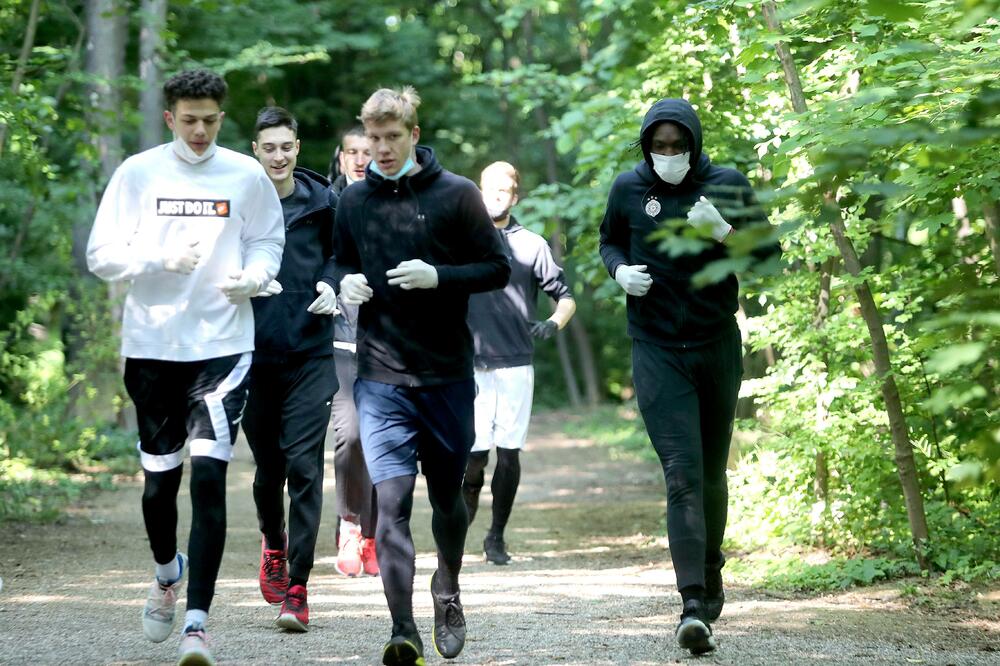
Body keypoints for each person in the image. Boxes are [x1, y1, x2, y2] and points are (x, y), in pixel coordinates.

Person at [86, 69, 284, 665]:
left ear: (223, 118)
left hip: (223, 347)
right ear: (170, 117)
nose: (200, 131)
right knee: (158, 487)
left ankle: (198, 622)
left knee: (207, 477)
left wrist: (254, 276)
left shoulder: (246, 175)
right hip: (152, 347)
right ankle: (168, 570)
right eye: (189, 119)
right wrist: (157, 257)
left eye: (211, 120)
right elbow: (101, 255)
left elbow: (267, 242)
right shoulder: (138, 173)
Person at [333, 86, 510, 665]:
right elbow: (337, 257)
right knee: (390, 505)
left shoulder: (456, 195)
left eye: (390, 138)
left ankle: (448, 589)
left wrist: (440, 276)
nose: (379, 150)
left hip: (446, 376)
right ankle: (402, 628)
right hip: (380, 377)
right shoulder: (355, 201)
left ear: (413, 134)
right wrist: (342, 282)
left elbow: (496, 266)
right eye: (372, 139)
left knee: (448, 500)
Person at [598, 98, 780, 656]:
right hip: (656, 349)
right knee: (680, 472)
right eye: (660, 146)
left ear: (695, 145)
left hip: (715, 345)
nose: (669, 155)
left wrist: (724, 231)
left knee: (709, 473)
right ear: (646, 145)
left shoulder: (726, 183)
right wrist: (618, 271)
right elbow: (608, 240)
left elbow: (769, 258)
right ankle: (692, 604)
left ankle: (711, 566)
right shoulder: (628, 189)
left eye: (679, 146)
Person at [244, 106, 340, 632]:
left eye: (286, 146)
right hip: (252, 353)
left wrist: (331, 281)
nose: (278, 156)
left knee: (304, 468)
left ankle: (298, 588)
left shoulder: (325, 200)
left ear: (297, 148)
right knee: (269, 470)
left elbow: (344, 254)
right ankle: (273, 543)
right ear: (254, 149)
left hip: (310, 352)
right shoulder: (238, 200)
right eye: (268, 147)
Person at [463, 161, 576, 565]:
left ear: (515, 196)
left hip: (514, 363)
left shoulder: (532, 244)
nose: (496, 195)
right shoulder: (461, 239)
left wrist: (552, 323)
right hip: (468, 365)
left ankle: (496, 537)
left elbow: (565, 296)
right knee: (473, 458)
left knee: (508, 454)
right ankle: (458, 532)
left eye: (504, 189)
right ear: (479, 191)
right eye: (489, 188)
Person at [329, 128, 380, 578]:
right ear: (341, 157)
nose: (361, 159)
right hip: (340, 339)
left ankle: (374, 535)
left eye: (368, 151)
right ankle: (348, 523)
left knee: (386, 438)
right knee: (352, 434)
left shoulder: (393, 202)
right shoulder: (329, 205)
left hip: (388, 341)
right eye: (353, 152)